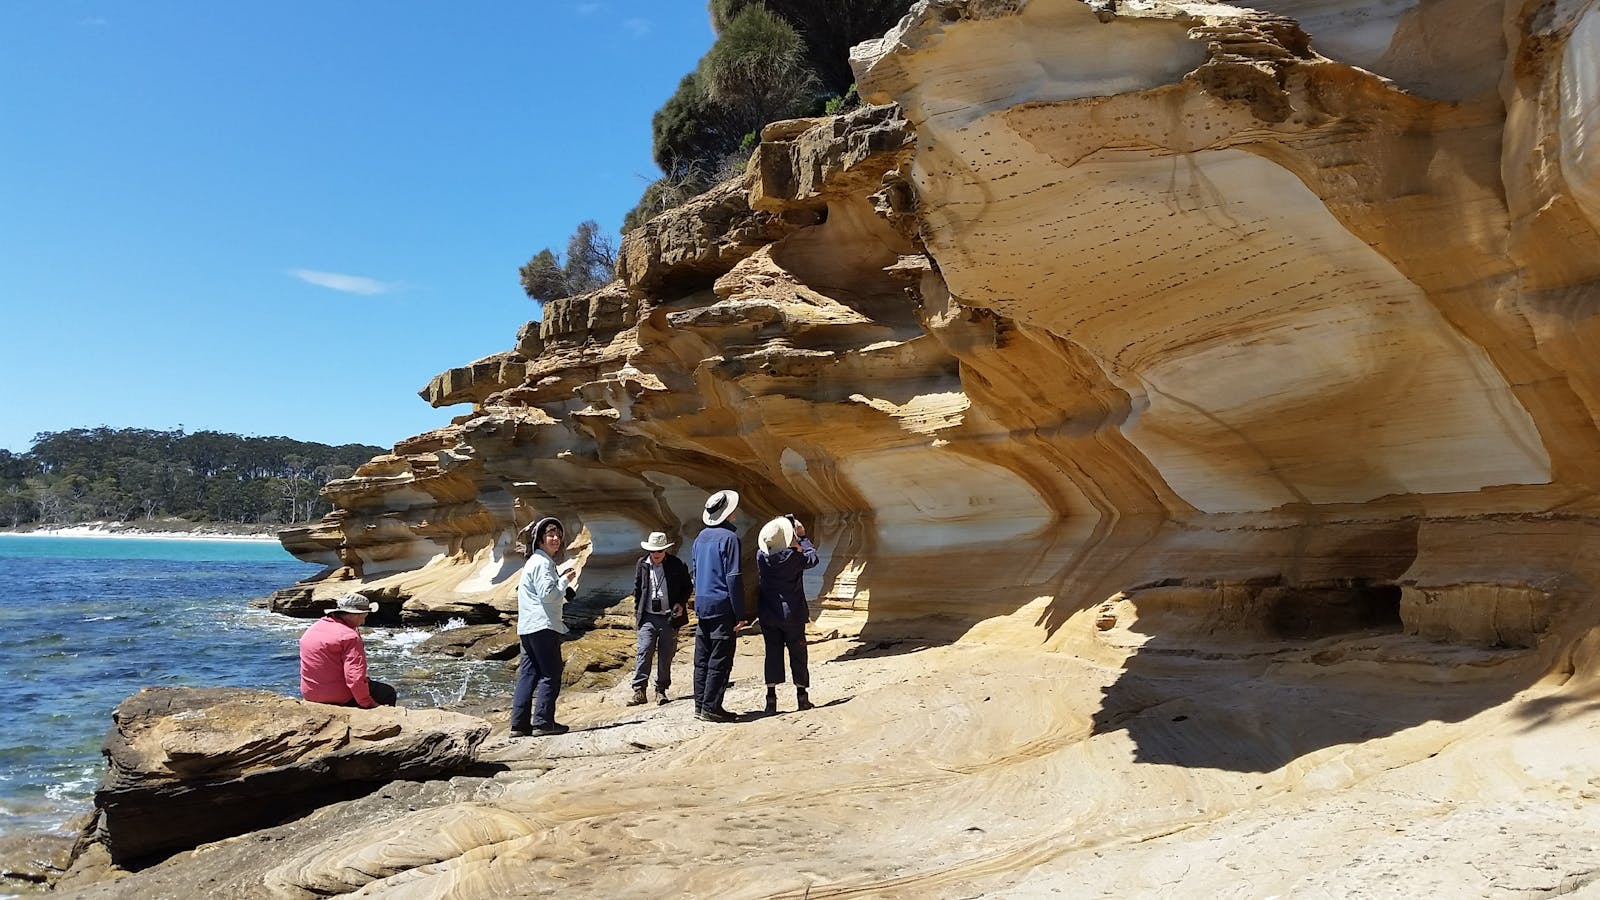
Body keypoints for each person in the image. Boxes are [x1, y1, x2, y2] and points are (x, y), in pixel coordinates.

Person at [510, 516, 577, 737]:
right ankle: (543, 722)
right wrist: (565, 580)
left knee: (528, 674)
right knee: (551, 673)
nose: (556, 538)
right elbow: (549, 596)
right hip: (543, 626)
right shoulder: (542, 563)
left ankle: (519, 725)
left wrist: (561, 583)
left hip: (528, 626)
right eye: (550, 535)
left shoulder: (534, 562)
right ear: (540, 540)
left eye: (558, 535)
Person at [756, 514, 821, 713]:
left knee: (772, 653)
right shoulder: (793, 557)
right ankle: (802, 697)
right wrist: (801, 537)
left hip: (768, 612)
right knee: (798, 653)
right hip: (792, 614)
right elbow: (813, 558)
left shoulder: (761, 556)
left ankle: (771, 699)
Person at [691, 489, 743, 722]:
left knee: (702, 659)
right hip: (722, 604)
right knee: (720, 659)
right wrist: (740, 612)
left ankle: (700, 705)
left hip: (702, 603)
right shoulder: (730, 539)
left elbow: (695, 573)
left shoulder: (700, 538)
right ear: (728, 512)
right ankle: (711, 707)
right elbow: (733, 577)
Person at [628, 531, 693, 706]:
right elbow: (638, 589)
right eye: (653, 551)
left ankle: (661, 690)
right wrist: (638, 613)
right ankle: (639, 691)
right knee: (644, 651)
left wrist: (680, 603)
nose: (656, 554)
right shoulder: (642, 564)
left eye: (659, 551)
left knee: (666, 655)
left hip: (669, 617)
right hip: (647, 617)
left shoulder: (676, 564)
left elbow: (687, 587)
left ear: (665, 550)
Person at [299, 593, 397, 709]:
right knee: (388, 692)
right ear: (354, 615)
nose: (363, 622)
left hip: (310, 694)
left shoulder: (313, 628)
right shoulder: (349, 637)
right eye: (364, 616)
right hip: (337, 697)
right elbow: (354, 677)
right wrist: (368, 703)